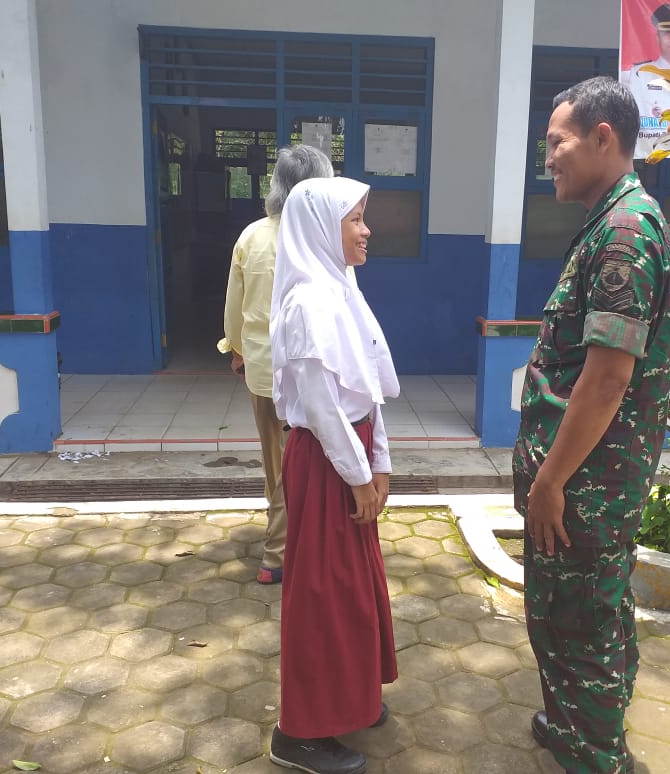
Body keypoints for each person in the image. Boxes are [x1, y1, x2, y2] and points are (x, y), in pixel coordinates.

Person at [513, 76, 670, 773]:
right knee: (576, 615)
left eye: (558, 143)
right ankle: (574, 729)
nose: (548, 158)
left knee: (580, 624)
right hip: (589, 479)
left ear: (602, 137)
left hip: (585, 486)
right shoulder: (614, 220)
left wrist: (550, 482)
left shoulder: (623, 236)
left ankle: (594, 756)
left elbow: (608, 379)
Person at [268, 176, 399, 774]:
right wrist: (358, 475)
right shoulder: (307, 303)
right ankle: (298, 734)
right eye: (355, 219)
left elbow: (367, 390)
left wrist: (380, 462)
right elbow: (322, 409)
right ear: (322, 229)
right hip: (326, 463)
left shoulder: (342, 287)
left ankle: (352, 694)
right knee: (321, 594)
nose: (367, 230)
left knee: (354, 584)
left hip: (350, 457)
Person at [220, 144, 334, 585]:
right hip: (316, 373)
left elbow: (235, 309)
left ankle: (276, 555)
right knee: (320, 462)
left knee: (277, 464)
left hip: (265, 371)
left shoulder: (251, 236)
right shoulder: (326, 239)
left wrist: (237, 350)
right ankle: (314, 550)